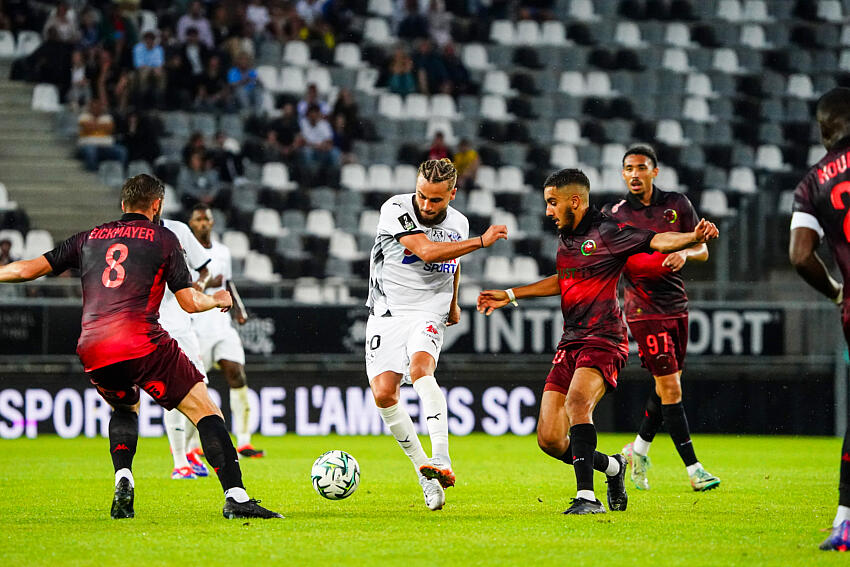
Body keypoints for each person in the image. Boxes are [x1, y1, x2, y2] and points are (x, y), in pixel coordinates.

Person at [0, 174, 280, 520]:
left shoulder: (88, 238)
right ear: (156, 205)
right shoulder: (164, 238)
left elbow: (28, 269)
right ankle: (236, 497)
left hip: (93, 346)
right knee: (206, 411)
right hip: (142, 341)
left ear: (122, 205)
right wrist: (218, 299)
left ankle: (124, 478)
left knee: (124, 408)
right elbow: (189, 302)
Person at [477, 168, 719, 515]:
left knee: (578, 403)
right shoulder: (567, 237)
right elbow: (564, 279)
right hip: (571, 340)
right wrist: (511, 294)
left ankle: (586, 498)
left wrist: (690, 236)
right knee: (550, 439)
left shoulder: (608, 231)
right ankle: (614, 467)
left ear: (574, 201)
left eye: (552, 203)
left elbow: (655, 240)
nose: (548, 211)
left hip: (604, 339)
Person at [366, 158, 508, 511]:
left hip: (431, 307)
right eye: (423, 197)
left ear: (452, 195)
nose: (427, 206)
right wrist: (482, 241)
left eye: (436, 200)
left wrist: (454, 302)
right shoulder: (395, 207)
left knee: (420, 371)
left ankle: (442, 459)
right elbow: (427, 250)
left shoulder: (457, 222)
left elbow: (452, 263)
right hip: (387, 309)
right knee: (384, 395)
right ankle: (424, 472)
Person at [602, 145, 720, 493]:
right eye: (628, 168)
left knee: (665, 385)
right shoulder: (614, 213)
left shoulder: (678, 204)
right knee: (670, 386)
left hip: (676, 304)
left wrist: (686, 251)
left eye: (641, 167)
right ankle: (695, 470)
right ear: (622, 174)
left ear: (655, 171)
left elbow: (702, 247)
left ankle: (636, 451)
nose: (634, 174)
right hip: (641, 308)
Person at [789, 87, 850, 551]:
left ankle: (844, 521)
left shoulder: (812, 183)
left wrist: (834, 291)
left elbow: (800, 255)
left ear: (825, 127)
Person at [188, 204, 264, 459]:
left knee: (237, 373)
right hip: (196, 327)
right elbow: (187, 287)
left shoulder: (222, 251)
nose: (203, 224)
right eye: (198, 220)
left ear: (212, 223)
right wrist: (210, 280)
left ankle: (243, 442)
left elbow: (228, 282)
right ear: (191, 224)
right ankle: (191, 447)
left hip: (222, 325)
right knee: (193, 387)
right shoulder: (184, 252)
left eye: (206, 219)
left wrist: (239, 310)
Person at [158, 216, 213, 480]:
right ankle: (179, 462)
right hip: (152, 326)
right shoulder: (129, 233)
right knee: (173, 395)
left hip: (182, 323)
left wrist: (198, 288)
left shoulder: (178, 230)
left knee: (201, 387)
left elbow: (204, 268)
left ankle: (189, 452)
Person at [76, 98, 127, 172]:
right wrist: (101, 126)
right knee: (90, 151)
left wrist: (93, 125)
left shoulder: (107, 117)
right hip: (89, 145)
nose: (96, 109)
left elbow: (110, 128)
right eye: (93, 107)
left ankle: (119, 172)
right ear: (90, 107)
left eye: (98, 107)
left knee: (122, 151)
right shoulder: (83, 117)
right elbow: (87, 127)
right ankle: (92, 174)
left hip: (107, 146)